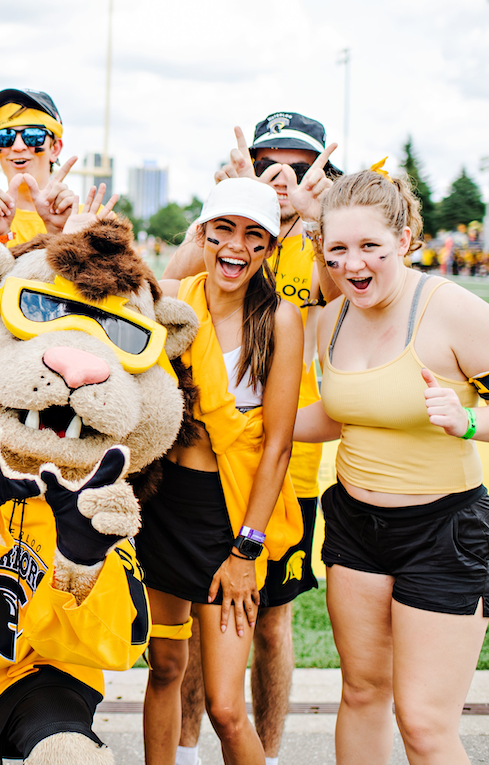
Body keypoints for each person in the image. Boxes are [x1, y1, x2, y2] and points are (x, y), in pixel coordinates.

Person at [161, 113, 341, 765]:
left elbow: (352, 292)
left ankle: (269, 750)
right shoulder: (217, 244)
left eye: (299, 162)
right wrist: (232, 204)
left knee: (268, 626)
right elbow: (164, 292)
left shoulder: (317, 245)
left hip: (276, 478)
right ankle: (183, 752)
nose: (284, 173)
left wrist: (315, 218)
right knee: (180, 638)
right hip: (190, 487)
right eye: (271, 160)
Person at [295, 166, 489, 765]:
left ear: (404, 238)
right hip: (354, 528)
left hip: (444, 533)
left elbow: (475, 414)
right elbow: (343, 414)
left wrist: (469, 422)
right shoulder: (329, 321)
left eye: (371, 246)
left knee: (425, 725)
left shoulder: (455, 312)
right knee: (361, 694)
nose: (354, 265)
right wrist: (235, 424)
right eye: (338, 251)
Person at [143, 177, 304, 765]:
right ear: (203, 233)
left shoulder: (279, 319)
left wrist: (246, 552)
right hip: (164, 508)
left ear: (267, 247)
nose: (236, 247)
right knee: (163, 668)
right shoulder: (169, 304)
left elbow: (279, 446)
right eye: (224, 230)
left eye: (254, 235)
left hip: (228, 516)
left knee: (225, 708)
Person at [0, 88, 92, 272]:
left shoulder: (90, 219)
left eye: (33, 135)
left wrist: (62, 236)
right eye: (5, 137)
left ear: (55, 148)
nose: (18, 146)